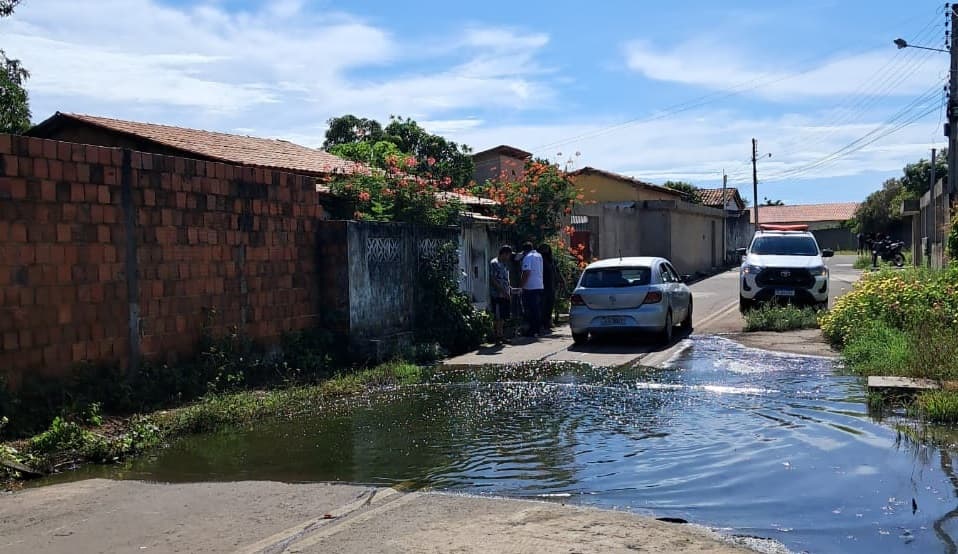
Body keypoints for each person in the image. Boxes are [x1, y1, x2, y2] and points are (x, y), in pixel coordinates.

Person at [489, 245, 515, 344]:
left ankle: (501, 335)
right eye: (508, 255)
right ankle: (497, 336)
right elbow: (493, 280)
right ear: (504, 254)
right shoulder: (494, 263)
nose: (509, 257)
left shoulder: (504, 264)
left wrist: (509, 289)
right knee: (497, 316)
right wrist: (503, 292)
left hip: (505, 294)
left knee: (503, 316)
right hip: (498, 294)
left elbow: (505, 280)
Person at [519, 241, 544, 337]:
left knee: (530, 309)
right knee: (537, 309)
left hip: (530, 287)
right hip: (539, 285)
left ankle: (532, 330)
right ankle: (537, 329)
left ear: (525, 250)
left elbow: (526, 273)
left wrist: (521, 286)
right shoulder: (539, 255)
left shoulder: (527, 257)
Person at [538, 242, 557, 333]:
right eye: (544, 248)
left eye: (547, 248)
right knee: (543, 306)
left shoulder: (551, 260)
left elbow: (556, 271)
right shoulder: (540, 260)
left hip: (551, 285)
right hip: (543, 286)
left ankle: (547, 323)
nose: (545, 250)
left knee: (550, 305)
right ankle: (542, 324)